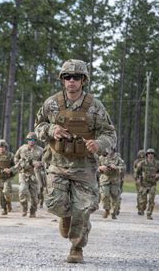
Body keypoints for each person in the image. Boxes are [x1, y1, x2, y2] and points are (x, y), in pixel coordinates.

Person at [34, 59, 117, 263]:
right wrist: (51, 129)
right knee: (56, 204)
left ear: (83, 80)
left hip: (84, 167)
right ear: (63, 80)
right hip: (58, 163)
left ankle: (76, 249)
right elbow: (38, 127)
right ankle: (65, 216)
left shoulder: (94, 106)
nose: (71, 81)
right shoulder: (51, 103)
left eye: (76, 77)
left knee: (83, 209)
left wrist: (98, 144)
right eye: (67, 77)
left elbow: (110, 134)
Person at [7, 132, 44, 218]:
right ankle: (24, 208)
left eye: (34, 140)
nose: (32, 141)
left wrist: (39, 163)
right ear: (27, 140)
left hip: (34, 175)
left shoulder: (40, 150)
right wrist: (19, 164)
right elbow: (16, 157)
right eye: (30, 139)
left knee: (34, 198)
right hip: (23, 173)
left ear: (36, 140)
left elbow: (46, 162)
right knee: (22, 190)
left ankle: (32, 211)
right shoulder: (22, 149)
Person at [134, 148, 159, 220]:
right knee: (143, 201)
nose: (150, 155)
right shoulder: (142, 163)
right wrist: (137, 179)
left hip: (152, 184)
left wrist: (158, 175)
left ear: (154, 155)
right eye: (149, 153)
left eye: (152, 153)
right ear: (146, 155)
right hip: (143, 184)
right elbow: (136, 172)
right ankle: (142, 208)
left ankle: (149, 213)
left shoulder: (157, 163)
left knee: (151, 199)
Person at [98, 149, 125, 219]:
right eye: (107, 149)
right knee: (104, 195)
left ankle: (114, 212)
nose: (108, 150)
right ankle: (107, 209)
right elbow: (94, 167)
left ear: (113, 150)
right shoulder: (101, 158)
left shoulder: (118, 159)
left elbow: (123, 168)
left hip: (115, 180)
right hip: (105, 180)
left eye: (110, 149)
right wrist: (100, 168)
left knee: (115, 196)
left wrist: (116, 167)